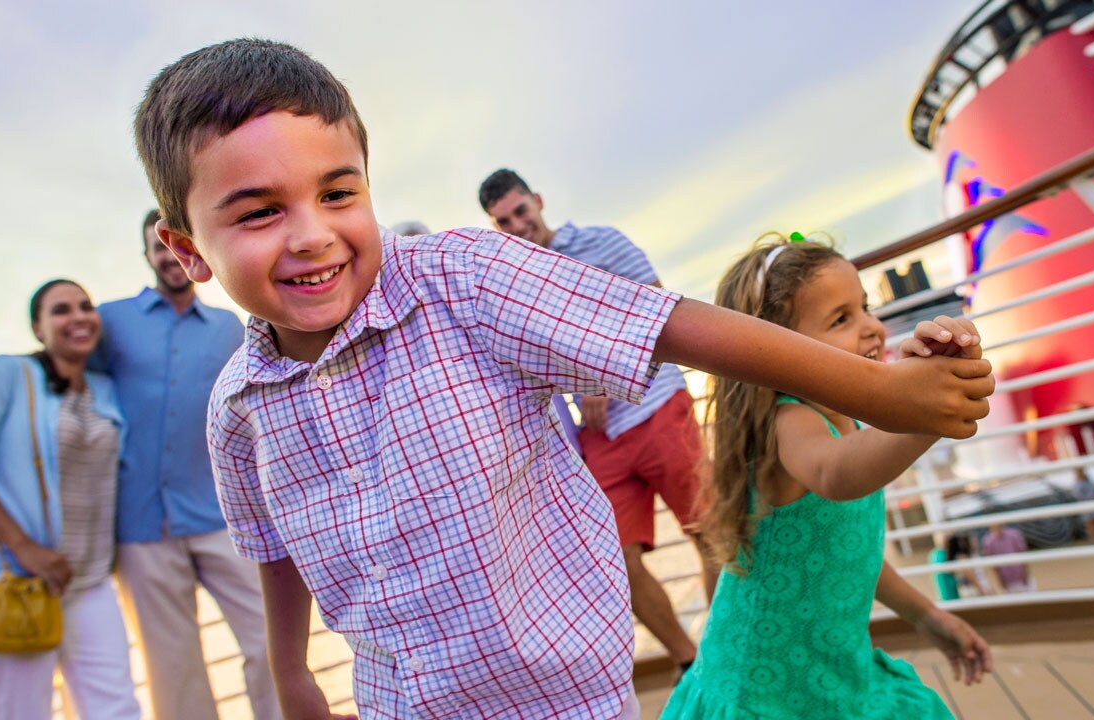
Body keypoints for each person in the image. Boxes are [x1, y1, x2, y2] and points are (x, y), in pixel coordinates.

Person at [132, 39, 994, 718]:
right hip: (406, 702)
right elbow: (275, 550)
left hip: (566, 696)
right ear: (187, 251)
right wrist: (291, 673)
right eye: (261, 211)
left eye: (337, 193)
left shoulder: (462, 279)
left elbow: (667, 323)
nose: (312, 234)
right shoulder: (238, 411)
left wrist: (873, 392)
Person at [661, 234, 991, 719]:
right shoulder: (787, 422)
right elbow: (836, 474)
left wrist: (927, 615)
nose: (871, 327)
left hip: (832, 676)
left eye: (865, 307)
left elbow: (851, 553)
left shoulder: (850, 423)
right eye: (841, 319)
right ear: (780, 352)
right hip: (761, 692)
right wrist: (927, 416)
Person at [479, 168, 717, 671]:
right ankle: (690, 664)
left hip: (657, 405)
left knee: (709, 531)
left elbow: (663, 320)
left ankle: (723, 655)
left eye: (521, 211)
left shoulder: (602, 243)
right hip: (598, 435)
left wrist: (599, 379)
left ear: (538, 200)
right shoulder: (512, 284)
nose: (518, 226)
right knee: (616, 563)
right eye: (504, 221)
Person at [92, 211, 280, 720]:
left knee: (269, 641)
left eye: (178, 246)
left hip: (222, 516)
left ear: (194, 249)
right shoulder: (109, 322)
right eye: (159, 247)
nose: (169, 257)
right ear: (148, 254)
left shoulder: (228, 327)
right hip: (141, 526)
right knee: (172, 667)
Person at [0, 280, 141, 719]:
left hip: (87, 581)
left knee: (117, 709)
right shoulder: (7, 375)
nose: (77, 316)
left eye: (85, 306)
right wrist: (25, 548)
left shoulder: (103, 389)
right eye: (60, 310)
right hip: (13, 582)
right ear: (38, 328)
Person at [981, 523, 1032, 593]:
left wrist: (1026, 573)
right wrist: (1000, 580)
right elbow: (993, 564)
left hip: (1021, 576)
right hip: (1007, 581)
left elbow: (1023, 552)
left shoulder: (1014, 534)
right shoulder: (988, 541)